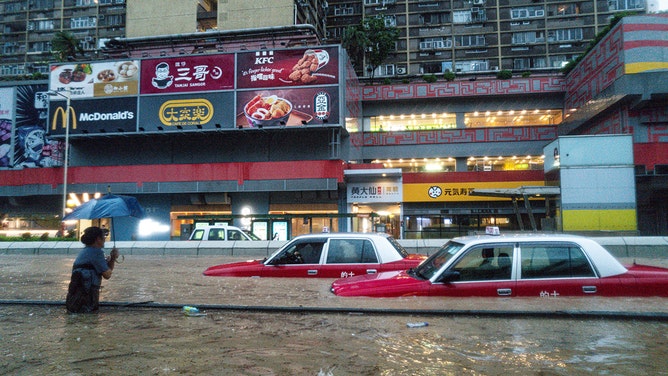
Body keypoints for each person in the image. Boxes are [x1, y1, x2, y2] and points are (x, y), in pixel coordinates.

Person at [65, 226, 119, 313]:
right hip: (88, 296)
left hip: (74, 297)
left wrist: (109, 261)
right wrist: (113, 258)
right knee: (89, 320)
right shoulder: (97, 252)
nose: (105, 239)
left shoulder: (85, 251)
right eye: (104, 237)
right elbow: (107, 275)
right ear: (98, 239)